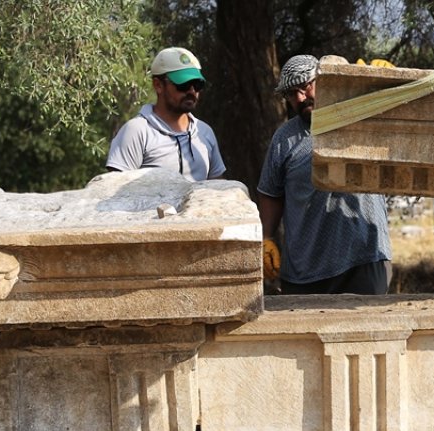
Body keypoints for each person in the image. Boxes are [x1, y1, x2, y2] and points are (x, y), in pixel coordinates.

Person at [257, 55, 392, 295]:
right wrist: (266, 237)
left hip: (364, 260)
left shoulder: (366, 119)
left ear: (327, 80)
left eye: (306, 86)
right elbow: (271, 192)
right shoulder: (284, 139)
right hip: (305, 271)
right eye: (291, 93)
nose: (300, 98)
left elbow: (408, 120)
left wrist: (386, 84)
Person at [106, 47, 226, 180]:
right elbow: (115, 191)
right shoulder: (137, 131)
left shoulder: (204, 132)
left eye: (197, 85)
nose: (192, 92)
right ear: (158, 85)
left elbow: (217, 189)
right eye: (183, 85)